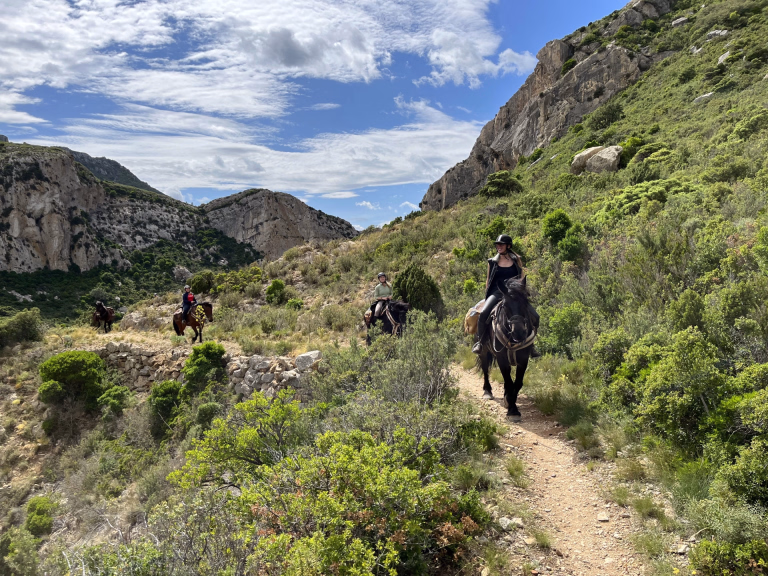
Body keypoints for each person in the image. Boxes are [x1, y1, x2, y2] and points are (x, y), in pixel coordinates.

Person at [473, 235, 540, 355]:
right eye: (497, 244)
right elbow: (488, 281)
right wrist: (487, 296)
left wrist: (522, 292)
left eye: (501, 244)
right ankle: (480, 343)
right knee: (483, 314)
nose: (498, 246)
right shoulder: (492, 262)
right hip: (497, 292)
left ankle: (531, 345)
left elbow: (522, 277)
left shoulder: (516, 260)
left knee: (535, 316)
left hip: (514, 294)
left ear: (508, 246)